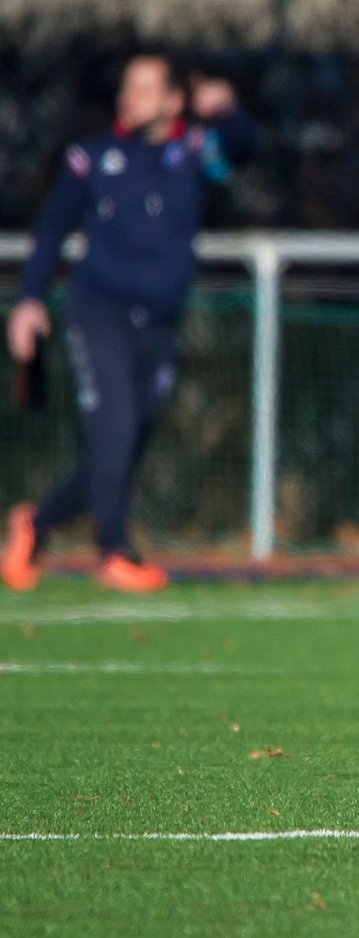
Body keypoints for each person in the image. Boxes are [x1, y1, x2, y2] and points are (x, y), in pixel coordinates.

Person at [3, 51, 257, 593]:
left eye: (145, 89)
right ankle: (114, 552)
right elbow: (50, 232)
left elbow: (242, 149)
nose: (130, 98)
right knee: (114, 434)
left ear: (173, 101)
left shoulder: (195, 152)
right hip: (99, 314)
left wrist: (229, 110)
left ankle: (35, 523)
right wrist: (29, 301)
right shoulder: (91, 159)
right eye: (127, 88)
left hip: (161, 321)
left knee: (123, 449)